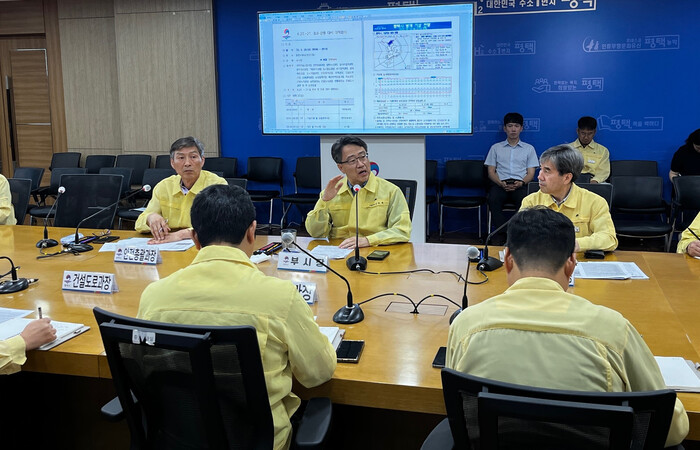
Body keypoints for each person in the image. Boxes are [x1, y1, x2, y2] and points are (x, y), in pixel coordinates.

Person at [447, 207, 688, 447]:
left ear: (508, 259)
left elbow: (458, 410)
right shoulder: (613, 330)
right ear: (572, 263)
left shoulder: (466, 324)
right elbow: (670, 429)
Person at [138, 184, 336, 450]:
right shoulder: (279, 297)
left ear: (195, 238)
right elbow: (318, 374)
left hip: (176, 440)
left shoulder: (154, 296)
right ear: (252, 232)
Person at [305, 135, 411, 249]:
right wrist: (324, 201)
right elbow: (315, 233)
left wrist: (368, 240)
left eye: (363, 157)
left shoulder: (391, 191)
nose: (361, 164)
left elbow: (402, 230)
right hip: (340, 250)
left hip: (375, 248)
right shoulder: (332, 192)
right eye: (352, 160)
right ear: (341, 167)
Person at [521, 144, 618, 252]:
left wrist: (573, 244)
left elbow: (609, 238)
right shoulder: (531, 202)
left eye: (547, 171)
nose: (539, 176)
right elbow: (519, 237)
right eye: (541, 169)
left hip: (578, 259)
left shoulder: (595, 202)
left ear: (567, 178)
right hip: (541, 259)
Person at [134, 136, 226, 243]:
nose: (187, 163)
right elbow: (139, 224)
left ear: (202, 161)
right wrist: (150, 218)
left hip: (206, 243)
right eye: (181, 158)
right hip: (169, 243)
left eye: (193, 157)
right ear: (172, 163)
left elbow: (221, 223)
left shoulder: (217, 185)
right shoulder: (164, 186)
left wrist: (182, 235)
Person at [484, 112, 538, 241]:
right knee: (493, 199)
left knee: (526, 203)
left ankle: (516, 234)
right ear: (505, 128)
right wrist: (500, 183)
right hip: (500, 184)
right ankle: (503, 234)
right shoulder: (496, 148)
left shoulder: (529, 149)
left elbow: (531, 173)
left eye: (516, 126)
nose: (513, 129)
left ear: (521, 128)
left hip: (520, 184)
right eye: (510, 126)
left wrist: (521, 183)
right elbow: (491, 172)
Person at [569, 115, 610, 183]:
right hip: (572, 181)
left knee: (606, 186)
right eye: (583, 133)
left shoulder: (603, 151)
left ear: (594, 132)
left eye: (590, 133)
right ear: (578, 131)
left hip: (593, 181)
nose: (586, 137)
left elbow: (603, 172)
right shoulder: (567, 149)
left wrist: (595, 181)